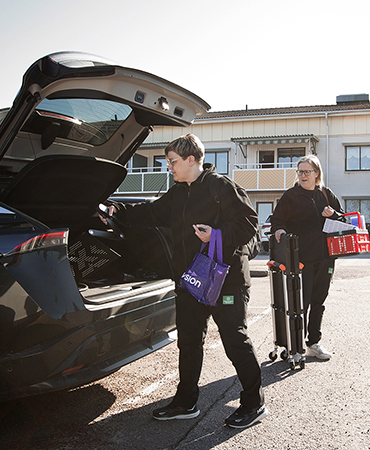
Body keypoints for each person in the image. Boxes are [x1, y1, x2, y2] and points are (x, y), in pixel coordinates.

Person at [103, 133, 266, 429]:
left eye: (173, 162)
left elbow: (248, 224)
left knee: (235, 340)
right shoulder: (178, 192)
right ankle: (185, 402)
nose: (170, 167)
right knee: (189, 342)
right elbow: (151, 212)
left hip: (226, 281)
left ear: (192, 159)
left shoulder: (221, 187)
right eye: (168, 162)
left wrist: (215, 234)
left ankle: (253, 403)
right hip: (192, 280)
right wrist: (119, 210)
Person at [271, 154, 345, 361]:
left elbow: (343, 220)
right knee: (299, 304)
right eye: (300, 171)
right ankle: (295, 347)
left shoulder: (326, 194)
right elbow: (277, 220)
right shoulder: (291, 196)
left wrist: (334, 215)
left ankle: (313, 343)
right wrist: (279, 231)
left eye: (307, 171)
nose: (302, 175)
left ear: (317, 173)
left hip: (326, 258)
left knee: (318, 302)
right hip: (301, 259)